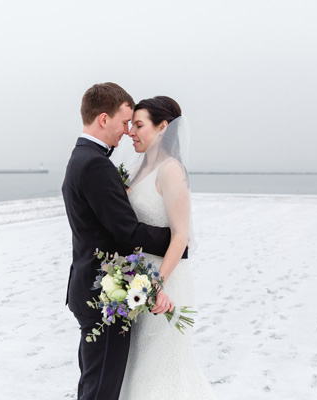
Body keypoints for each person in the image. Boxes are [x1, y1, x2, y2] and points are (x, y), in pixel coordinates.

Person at [62, 83, 186, 400]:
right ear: (104, 119)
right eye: (124, 122)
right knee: (101, 389)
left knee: (94, 383)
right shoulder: (95, 164)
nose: (127, 131)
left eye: (135, 124)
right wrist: (178, 242)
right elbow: (127, 232)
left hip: (91, 286)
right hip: (105, 294)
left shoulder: (81, 157)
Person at [118, 96, 217, 399]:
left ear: (163, 127)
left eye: (138, 125)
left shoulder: (171, 169)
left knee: (163, 369)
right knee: (139, 367)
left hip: (167, 283)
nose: (130, 132)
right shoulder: (137, 169)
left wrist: (156, 283)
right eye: (130, 124)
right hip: (139, 283)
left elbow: (181, 235)